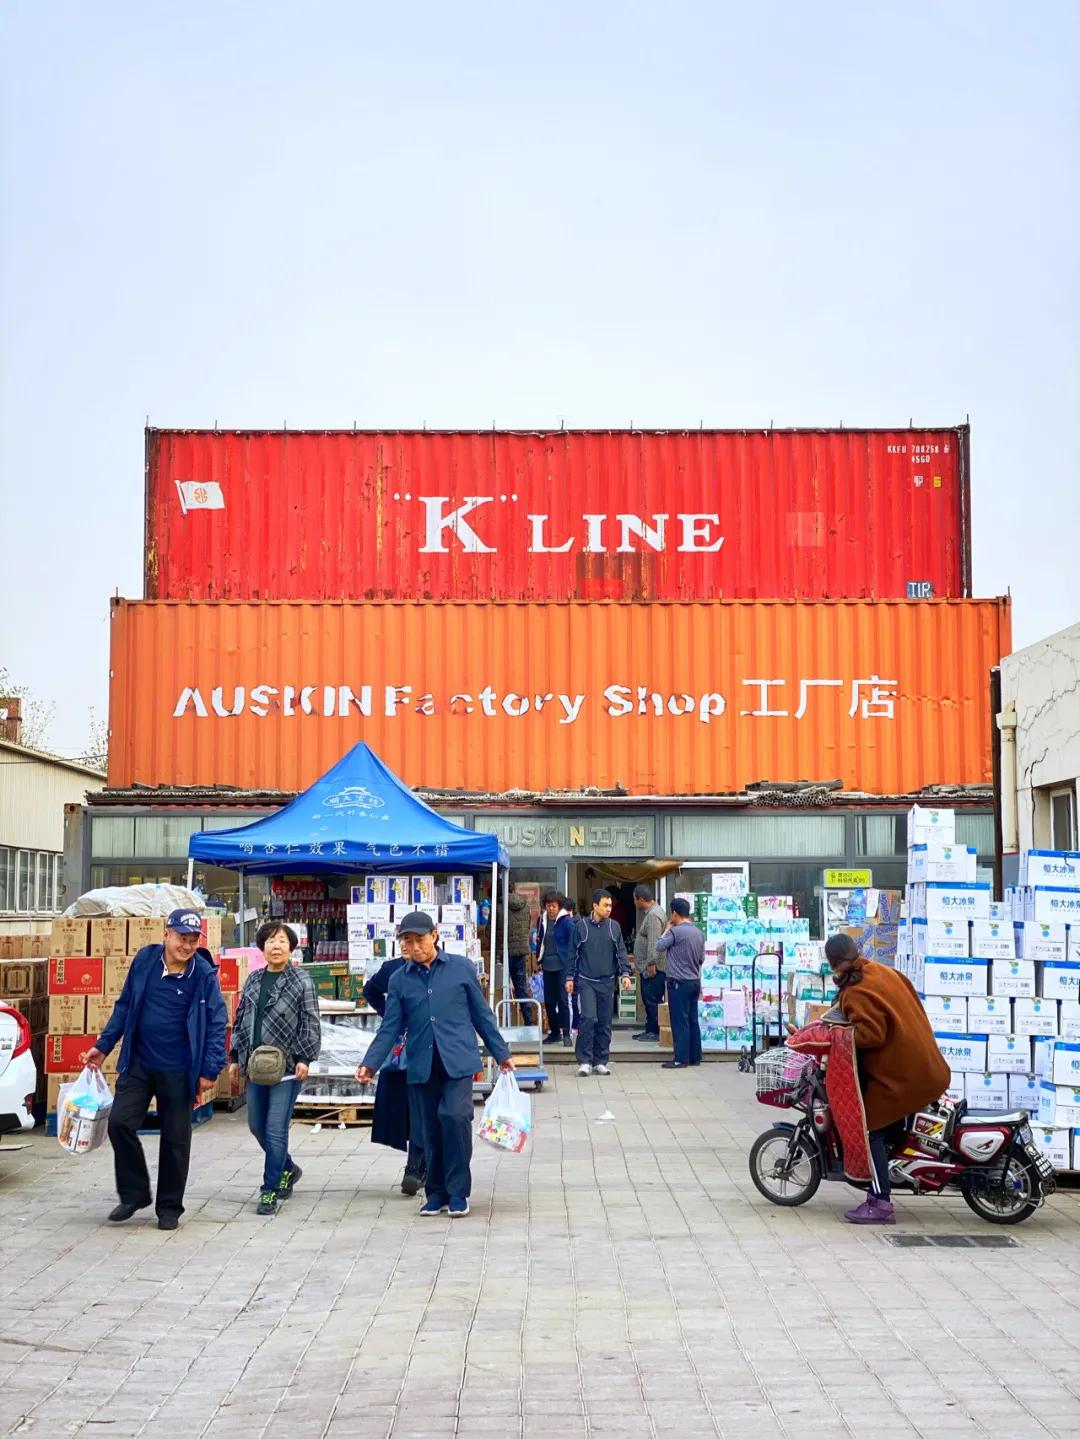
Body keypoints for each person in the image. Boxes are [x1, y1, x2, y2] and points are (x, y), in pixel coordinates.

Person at [356, 912, 513, 1218]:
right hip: (421, 1063)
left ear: (435, 935)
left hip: (458, 1060)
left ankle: (457, 1192)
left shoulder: (461, 969)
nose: (414, 947)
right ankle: (436, 1192)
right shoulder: (400, 978)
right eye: (408, 941)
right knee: (429, 1128)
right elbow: (390, 1026)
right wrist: (370, 1063)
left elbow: (482, 1015)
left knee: (453, 1118)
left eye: (419, 940)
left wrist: (501, 1053)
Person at [82, 909, 227, 1231]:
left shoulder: (202, 975)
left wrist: (210, 1069)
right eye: (181, 938)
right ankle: (134, 1195)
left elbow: (218, 1023)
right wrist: (103, 1045)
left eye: (192, 940)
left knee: (176, 1140)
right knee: (119, 1123)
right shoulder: (146, 961)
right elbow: (124, 1005)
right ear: (166, 934)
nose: (186, 946)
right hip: (139, 1062)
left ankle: (169, 1207)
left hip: (179, 1069)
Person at [824, 933, 952, 1225]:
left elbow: (872, 1034)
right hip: (929, 1066)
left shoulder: (855, 990)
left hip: (905, 1078)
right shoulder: (884, 971)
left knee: (869, 1129)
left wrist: (839, 1036)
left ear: (833, 965)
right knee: (886, 1123)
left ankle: (880, 1202)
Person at [229, 922, 321, 1215]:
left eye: (281, 941)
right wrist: (235, 1057)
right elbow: (241, 1017)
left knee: (276, 1128)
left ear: (291, 947)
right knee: (257, 1125)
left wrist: (305, 1057)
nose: (276, 946)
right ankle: (288, 1167)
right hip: (257, 1065)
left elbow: (311, 1021)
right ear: (262, 947)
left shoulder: (301, 980)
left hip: (287, 1066)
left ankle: (269, 1190)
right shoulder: (254, 979)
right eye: (270, 941)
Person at [364, 954, 427, 1197]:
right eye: (404, 942)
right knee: (411, 1106)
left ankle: (418, 1166)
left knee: (425, 1107)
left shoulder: (438, 969)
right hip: (401, 1050)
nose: (409, 948)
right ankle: (415, 1167)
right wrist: (390, 1012)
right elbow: (370, 991)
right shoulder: (393, 969)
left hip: (430, 1047)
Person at [566, 889, 632, 1077]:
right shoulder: (581, 927)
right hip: (586, 981)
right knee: (587, 1018)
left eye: (610, 905)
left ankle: (601, 1061)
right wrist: (569, 978)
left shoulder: (614, 927)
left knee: (604, 1022)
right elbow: (573, 955)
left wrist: (625, 974)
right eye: (605, 905)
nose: (609, 909)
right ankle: (585, 1061)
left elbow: (620, 952)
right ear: (595, 906)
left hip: (607, 981)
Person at [656, 898, 704, 1069]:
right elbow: (701, 959)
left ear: (674, 913)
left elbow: (659, 945)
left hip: (678, 982)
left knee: (679, 1021)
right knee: (692, 1020)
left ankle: (680, 1058)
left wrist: (667, 928)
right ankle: (695, 1056)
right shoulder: (698, 933)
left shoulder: (676, 932)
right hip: (694, 981)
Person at [536, 892, 574, 1047]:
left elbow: (573, 943)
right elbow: (540, 941)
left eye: (554, 906)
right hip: (547, 965)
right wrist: (538, 957)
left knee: (563, 1000)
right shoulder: (542, 921)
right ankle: (555, 1032)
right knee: (550, 1002)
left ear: (559, 907)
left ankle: (566, 1034)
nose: (550, 909)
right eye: (548, 905)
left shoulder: (566, 922)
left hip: (562, 966)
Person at [631, 884, 667, 1044]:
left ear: (640, 899)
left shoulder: (653, 915)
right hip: (649, 965)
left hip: (653, 967)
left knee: (651, 999)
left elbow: (654, 942)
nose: (634, 903)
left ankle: (654, 1031)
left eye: (635, 900)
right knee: (648, 998)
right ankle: (649, 1028)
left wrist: (651, 963)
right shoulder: (653, 912)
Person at [506, 890, 533, 1011]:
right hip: (521, 951)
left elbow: (490, 931)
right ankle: (529, 1021)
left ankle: (505, 1019)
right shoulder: (525, 906)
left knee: (502, 987)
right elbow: (528, 927)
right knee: (521, 988)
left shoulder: (499, 907)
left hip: (504, 952)